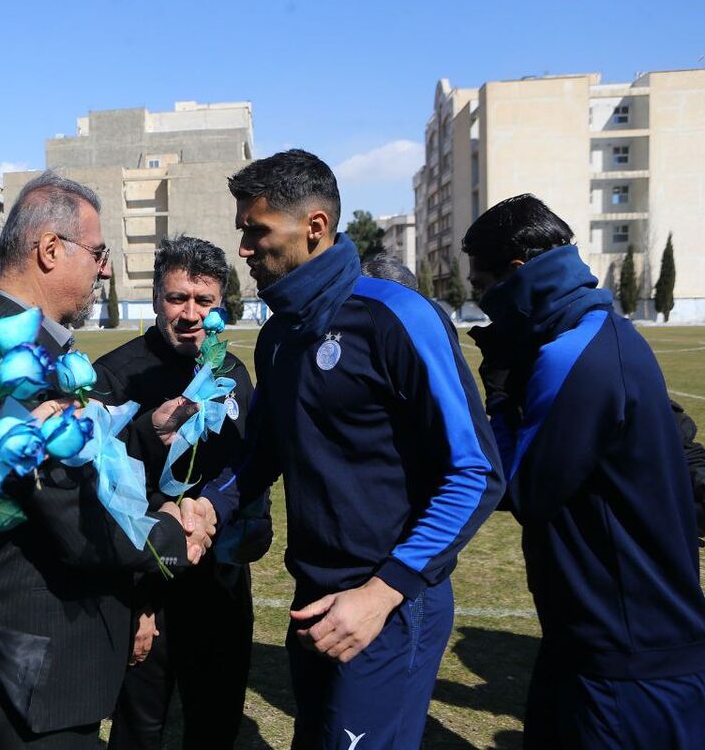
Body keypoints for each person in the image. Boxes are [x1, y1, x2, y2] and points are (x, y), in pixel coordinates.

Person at [196, 149, 505, 749]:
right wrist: (211, 505)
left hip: (387, 604)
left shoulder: (399, 316)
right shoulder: (278, 336)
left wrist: (380, 594)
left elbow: (475, 471)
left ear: (315, 227)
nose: (244, 250)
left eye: (256, 231)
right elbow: (262, 453)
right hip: (313, 598)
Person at [0, 170, 216, 749]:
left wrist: (143, 435)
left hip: (38, 659)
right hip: (40, 668)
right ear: (49, 250)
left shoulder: (18, 344)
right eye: (97, 252)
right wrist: (173, 535)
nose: (105, 269)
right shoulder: (9, 360)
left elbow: (58, 467)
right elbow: (74, 516)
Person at [463, 194, 705, 748]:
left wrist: (500, 392)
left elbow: (521, 489)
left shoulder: (574, 351)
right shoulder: (597, 330)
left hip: (625, 654)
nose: (481, 303)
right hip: (598, 636)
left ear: (517, 274)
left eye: (481, 287)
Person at [94, 235, 270, 749]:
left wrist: (256, 523)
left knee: (215, 725)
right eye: (177, 298)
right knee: (140, 732)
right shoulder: (115, 375)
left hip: (220, 587)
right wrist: (138, 603)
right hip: (148, 593)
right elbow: (103, 494)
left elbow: (251, 464)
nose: (190, 313)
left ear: (221, 305)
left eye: (204, 301)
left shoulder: (232, 373)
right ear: (155, 299)